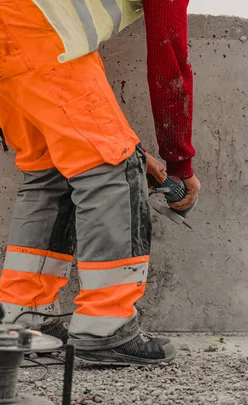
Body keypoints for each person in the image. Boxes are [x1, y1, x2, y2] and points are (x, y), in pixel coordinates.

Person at [0, 0, 200, 366]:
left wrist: (130, 148)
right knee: (113, 173)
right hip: (44, 33)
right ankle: (105, 326)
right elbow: (169, 56)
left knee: (51, 172)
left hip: (15, 38)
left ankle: (20, 319)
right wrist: (179, 163)